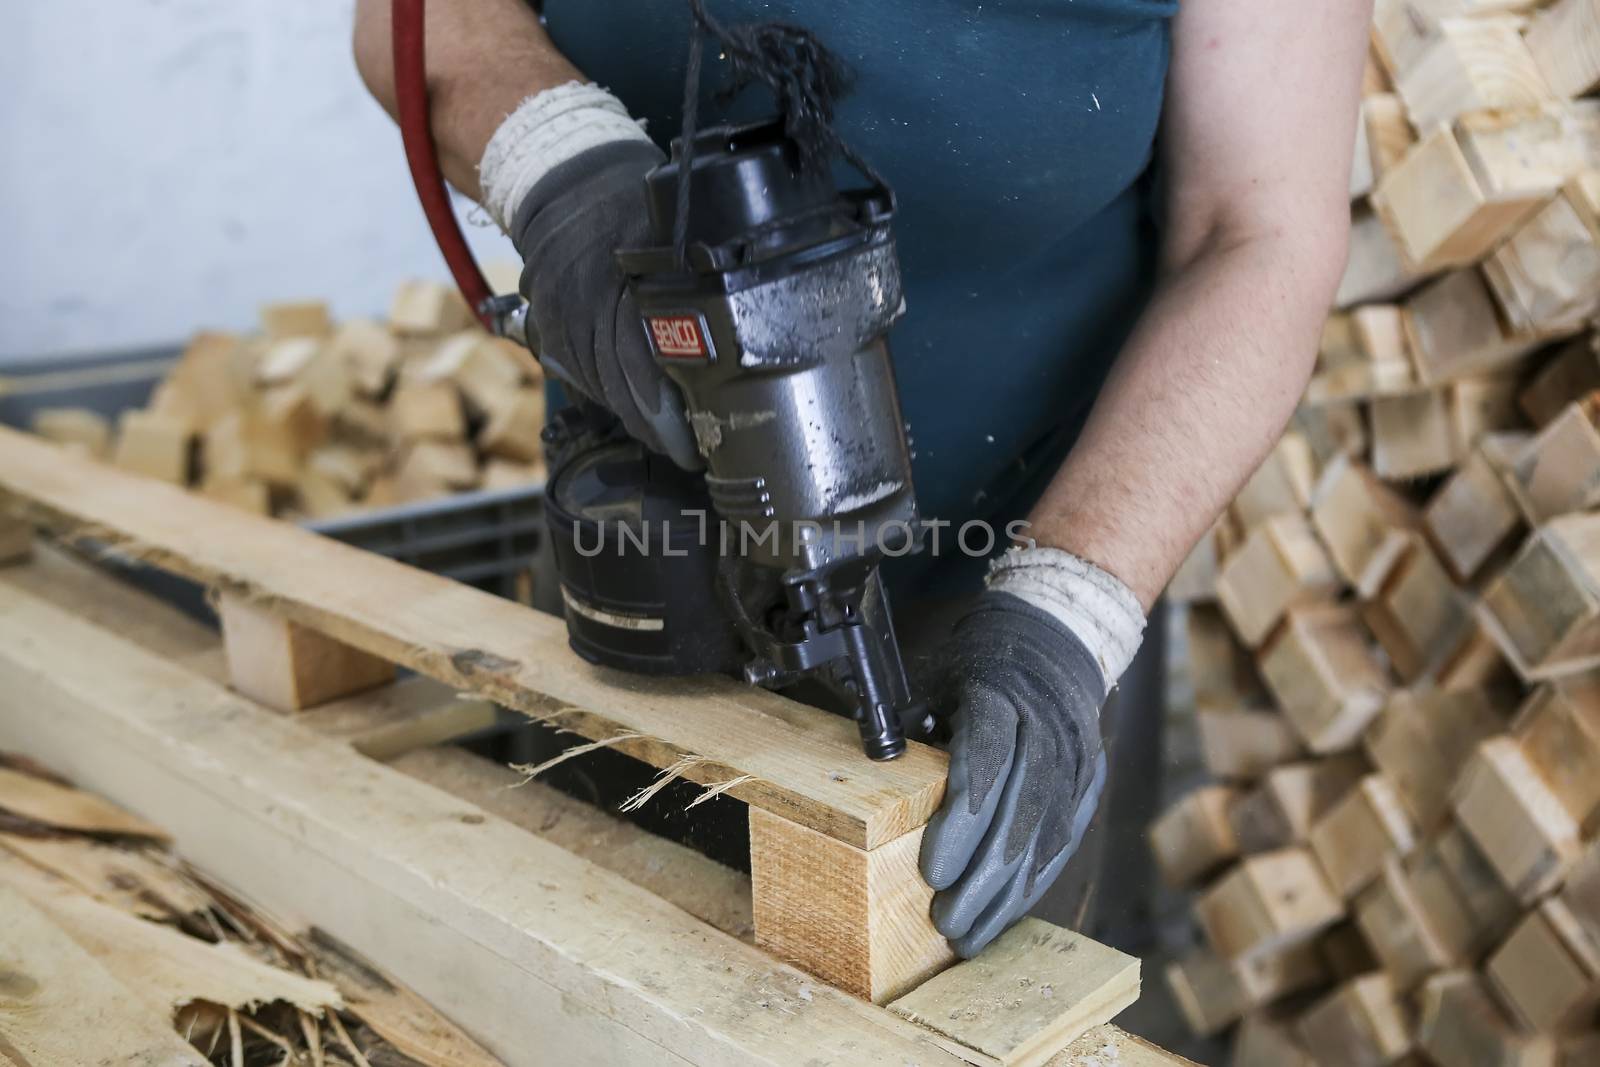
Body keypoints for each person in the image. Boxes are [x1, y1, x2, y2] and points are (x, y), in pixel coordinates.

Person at [354, 0, 1370, 957]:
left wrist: (1069, 611)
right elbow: (413, 22)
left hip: (1001, 597)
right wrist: (556, 161)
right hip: (639, 559)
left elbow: (1259, 227)